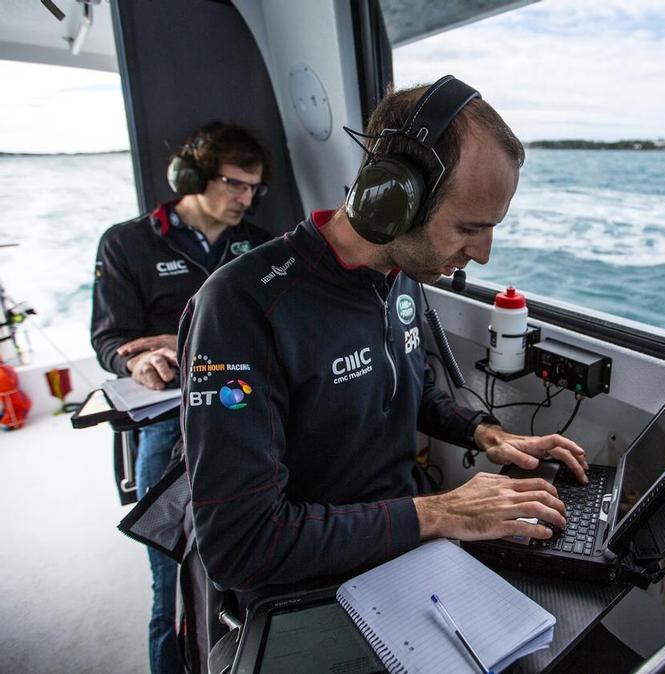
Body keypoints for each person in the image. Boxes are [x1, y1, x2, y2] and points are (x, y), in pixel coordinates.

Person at [178, 78, 589, 604]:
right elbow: (241, 545)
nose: (483, 254)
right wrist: (440, 512)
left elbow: (405, 388)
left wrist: (486, 433)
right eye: (469, 228)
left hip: (403, 545)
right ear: (395, 199)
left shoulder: (403, 273)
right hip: (309, 585)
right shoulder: (242, 307)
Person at [90, 121, 274, 674]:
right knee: (169, 586)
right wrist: (138, 358)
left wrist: (186, 340)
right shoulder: (126, 243)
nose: (244, 198)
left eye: (253, 188)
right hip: (170, 420)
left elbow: (279, 330)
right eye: (234, 184)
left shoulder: (261, 247)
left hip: (249, 413)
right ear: (192, 177)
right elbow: (109, 339)